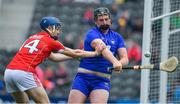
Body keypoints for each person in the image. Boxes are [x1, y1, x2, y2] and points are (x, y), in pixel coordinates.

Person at [3, 16, 103, 103]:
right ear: (50, 28)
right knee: (44, 102)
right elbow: (75, 52)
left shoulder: (32, 38)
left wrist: (74, 56)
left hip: (9, 73)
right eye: (57, 28)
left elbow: (54, 57)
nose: (59, 32)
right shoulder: (50, 41)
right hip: (24, 72)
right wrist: (95, 53)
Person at [68, 7, 129, 103]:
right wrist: (115, 61)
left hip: (102, 80)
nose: (104, 22)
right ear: (96, 22)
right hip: (83, 78)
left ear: (110, 20)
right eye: (101, 20)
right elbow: (102, 48)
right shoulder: (92, 33)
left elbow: (125, 58)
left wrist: (119, 63)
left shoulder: (117, 37)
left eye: (106, 19)